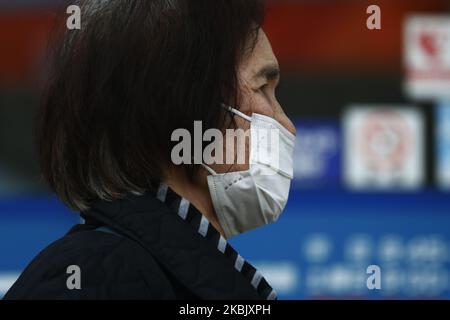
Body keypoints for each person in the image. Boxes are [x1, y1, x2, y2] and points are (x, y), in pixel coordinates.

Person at [4, 0, 296, 300]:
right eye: (262, 88)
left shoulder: (158, 270)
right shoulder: (98, 274)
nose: (286, 125)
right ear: (183, 102)